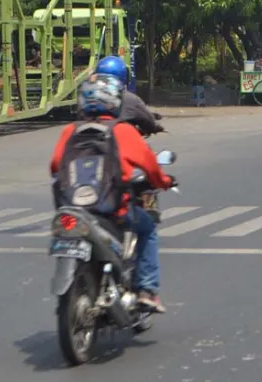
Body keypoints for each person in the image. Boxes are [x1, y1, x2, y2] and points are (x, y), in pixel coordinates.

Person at [49, 73, 175, 314]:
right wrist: (165, 181)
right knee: (147, 228)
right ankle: (147, 290)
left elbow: (55, 165)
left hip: (73, 211)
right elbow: (150, 167)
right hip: (111, 210)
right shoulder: (123, 131)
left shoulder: (70, 131)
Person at [94, 55, 164, 136]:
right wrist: (154, 127)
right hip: (122, 141)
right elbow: (148, 121)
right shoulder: (130, 99)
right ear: (124, 76)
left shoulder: (87, 97)